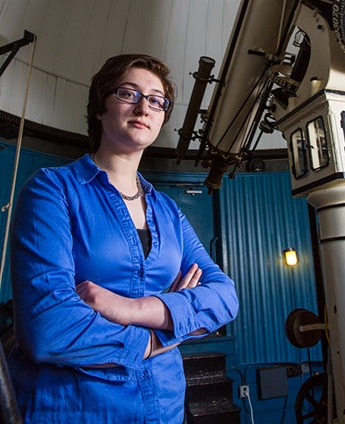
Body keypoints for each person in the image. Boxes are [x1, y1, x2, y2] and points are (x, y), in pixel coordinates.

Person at [7, 54, 239, 424]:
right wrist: (163, 334)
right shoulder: (53, 189)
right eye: (128, 93)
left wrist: (130, 308)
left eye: (157, 99)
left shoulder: (169, 212)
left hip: (163, 408)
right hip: (75, 409)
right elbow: (48, 327)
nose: (144, 106)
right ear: (100, 107)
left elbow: (225, 297)